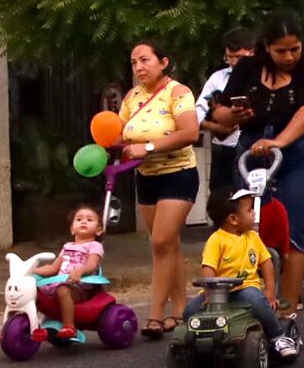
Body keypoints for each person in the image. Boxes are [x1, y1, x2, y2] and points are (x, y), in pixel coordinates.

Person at [221, 13, 304, 313]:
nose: (289, 56)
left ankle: (288, 313)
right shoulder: (247, 68)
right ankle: (249, 307)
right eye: (281, 51)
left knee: (291, 236)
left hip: (293, 157)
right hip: (249, 156)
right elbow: (222, 113)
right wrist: (234, 115)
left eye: (295, 49)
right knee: (245, 230)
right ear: (266, 46)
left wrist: (279, 142)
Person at [119, 41, 200, 338]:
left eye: (145, 60)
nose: (139, 67)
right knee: (169, 245)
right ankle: (180, 309)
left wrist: (148, 147)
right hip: (146, 177)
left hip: (178, 174)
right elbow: (121, 133)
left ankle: (154, 315)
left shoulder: (178, 92)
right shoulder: (131, 97)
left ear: (163, 62)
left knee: (161, 243)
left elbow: (190, 132)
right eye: (134, 63)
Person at [195, 191, 297, 357]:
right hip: (219, 292)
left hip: (246, 287)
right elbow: (208, 268)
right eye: (250, 210)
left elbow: (267, 262)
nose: (254, 213)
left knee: (257, 302)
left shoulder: (253, 238)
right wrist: (209, 294)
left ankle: (277, 336)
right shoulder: (216, 240)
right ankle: (195, 343)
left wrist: (270, 292)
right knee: (190, 310)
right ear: (233, 219)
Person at [196, 28, 256, 198]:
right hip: (223, 150)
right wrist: (215, 126)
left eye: (239, 58)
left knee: (248, 198)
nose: (234, 63)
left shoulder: (263, 77)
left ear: (253, 53)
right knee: (219, 198)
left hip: (252, 148)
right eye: (229, 57)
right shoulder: (218, 78)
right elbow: (198, 111)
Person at [30, 204, 105, 340]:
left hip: (79, 287)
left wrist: (80, 271)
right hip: (58, 284)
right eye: (79, 219)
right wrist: (31, 271)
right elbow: (53, 268)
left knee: (63, 290)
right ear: (72, 229)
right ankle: (29, 325)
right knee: (31, 290)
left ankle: (69, 327)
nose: (83, 221)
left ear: (99, 230)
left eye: (89, 220)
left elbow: (92, 265)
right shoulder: (67, 246)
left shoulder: (95, 246)